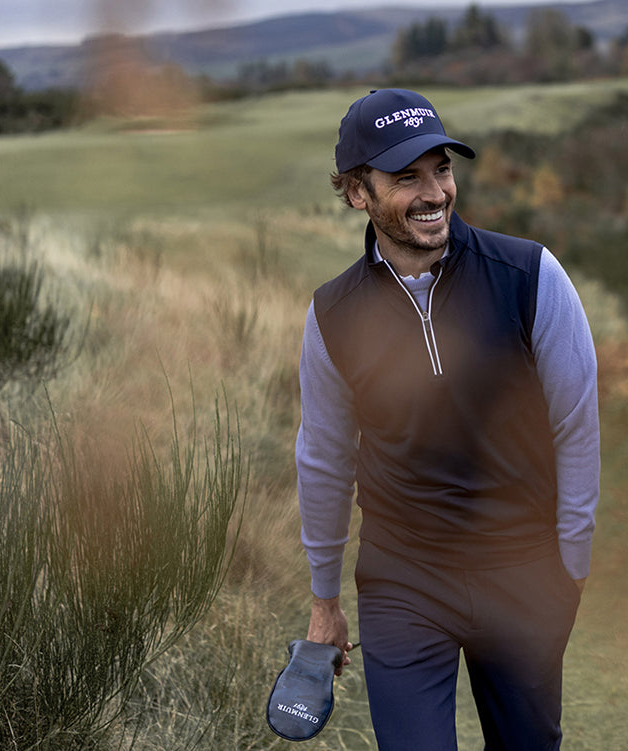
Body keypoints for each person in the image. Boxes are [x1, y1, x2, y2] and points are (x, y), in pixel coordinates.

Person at [296, 88, 600, 750]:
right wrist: (325, 603)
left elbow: (575, 424)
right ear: (358, 191)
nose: (435, 192)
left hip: (521, 568)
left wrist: (569, 568)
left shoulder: (530, 275)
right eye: (407, 176)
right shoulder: (332, 317)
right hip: (403, 580)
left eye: (442, 168)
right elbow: (323, 459)